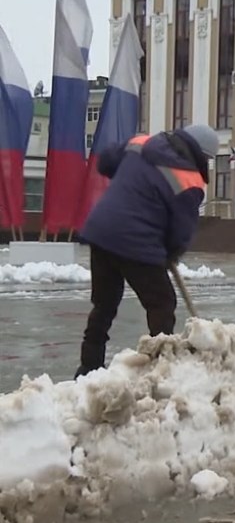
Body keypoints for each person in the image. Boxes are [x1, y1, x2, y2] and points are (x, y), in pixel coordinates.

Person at [75, 124, 219, 378]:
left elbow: (106, 162)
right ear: (203, 156)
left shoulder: (140, 143)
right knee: (162, 303)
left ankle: (89, 366)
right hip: (137, 241)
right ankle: (161, 367)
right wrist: (169, 254)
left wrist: (133, 178)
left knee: (104, 304)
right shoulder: (190, 180)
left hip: (102, 230)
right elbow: (180, 232)